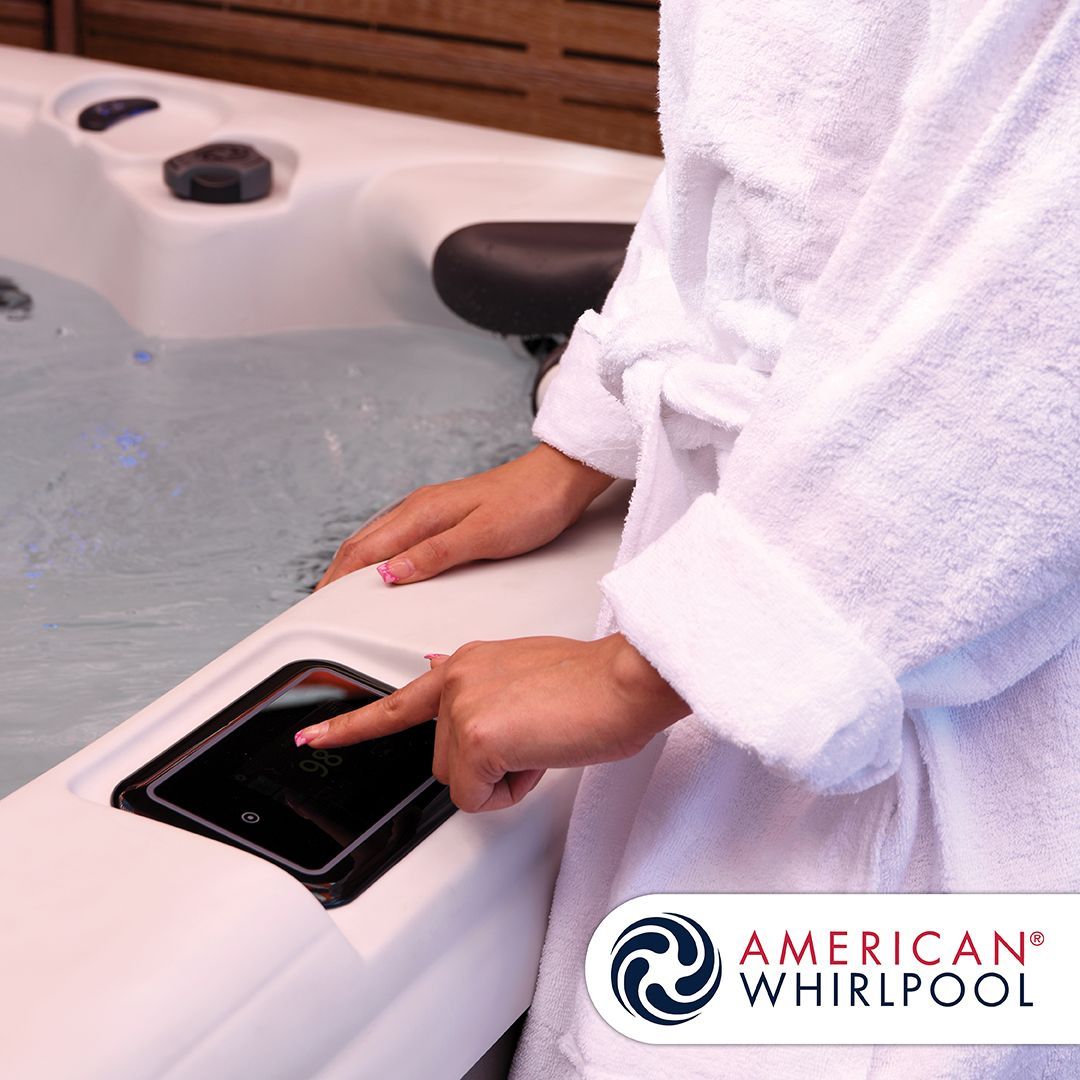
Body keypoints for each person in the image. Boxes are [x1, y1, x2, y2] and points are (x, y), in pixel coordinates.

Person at [308, 1, 1080, 1075]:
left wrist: (648, 671)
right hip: (795, 559)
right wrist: (585, 441)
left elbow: (1043, 306)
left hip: (940, 637)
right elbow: (753, 161)